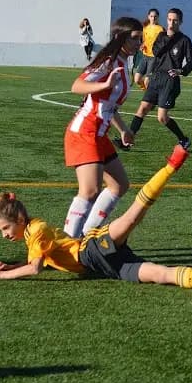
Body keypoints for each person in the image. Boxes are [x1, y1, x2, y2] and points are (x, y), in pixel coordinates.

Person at [0, 146, 192, 297]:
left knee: (133, 215)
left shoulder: (37, 230)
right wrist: (12, 266)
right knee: (160, 274)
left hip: (92, 249)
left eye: (5, 228)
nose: (4, 234)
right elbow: (39, 261)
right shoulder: (31, 234)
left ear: (20, 218)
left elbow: (36, 269)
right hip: (102, 266)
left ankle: (171, 165)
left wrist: (2, 275)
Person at [62, 17, 141, 239]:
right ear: (120, 38)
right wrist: (104, 84)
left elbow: (109, 106)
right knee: (89, 191)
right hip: (84, 131)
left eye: (140, 39)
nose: (139, 43)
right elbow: (77, 85)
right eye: (135, 38)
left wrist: (123, 130)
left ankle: (88, 236)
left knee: (119, 185)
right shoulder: (108, 62)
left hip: (99, 134)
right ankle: (68, 243)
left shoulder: (123, 64)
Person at [128, 8, 192, 150]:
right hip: (157, 77)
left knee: (162, 117)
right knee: (142, 108)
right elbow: (156, 52)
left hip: (170, 80)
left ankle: (183, 139)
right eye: (170, 20)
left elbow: (191, 63)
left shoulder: (185, 40)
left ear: (180, 22)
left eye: (175, 20)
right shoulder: (161, 36)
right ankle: (128, 139)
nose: (172, 23)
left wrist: (181, 71)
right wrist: (168, 39)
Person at [132, 9, 164, 91]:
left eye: (155, 16)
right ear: (148, 17)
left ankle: (149, 96)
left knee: (147, 81)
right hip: (145, 56)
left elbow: (164, 43)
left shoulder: (160, 29)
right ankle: (148, 92)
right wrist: (141, 46)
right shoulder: (145, 28)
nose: (153, 18)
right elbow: (143, 41)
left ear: (158, 17)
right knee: (137, 79)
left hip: (154, 58)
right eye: (151, 16)